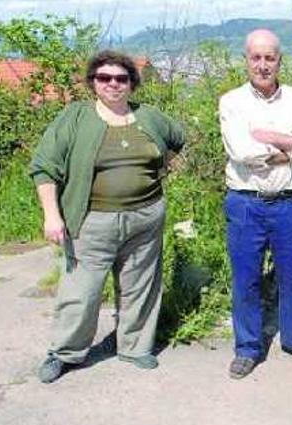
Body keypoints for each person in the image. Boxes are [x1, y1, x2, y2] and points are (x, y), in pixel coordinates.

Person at [30, 50, 185, 383]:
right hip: (91, 221)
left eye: (121, 78)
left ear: (132, 83)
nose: (113, 84)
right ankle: (65, 352)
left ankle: (134, 346)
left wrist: (162, 168)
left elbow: (177, 139)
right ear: (93, 82)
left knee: (140, 285)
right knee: (81, 290)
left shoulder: (150, 117)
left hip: (146, 217)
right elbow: (44, 168)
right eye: (105, 78)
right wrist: (51, 216)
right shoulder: (75, 118)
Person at [219, 29, 292, 379]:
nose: (263, 65)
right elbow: (241, 151)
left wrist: (275, 140)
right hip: (246, 204)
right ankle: (248, 348)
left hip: (290, 204)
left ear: (280, 60)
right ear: (246, 59)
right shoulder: (231, 101)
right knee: (246, 279)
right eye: (256, 57)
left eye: (270, 58)